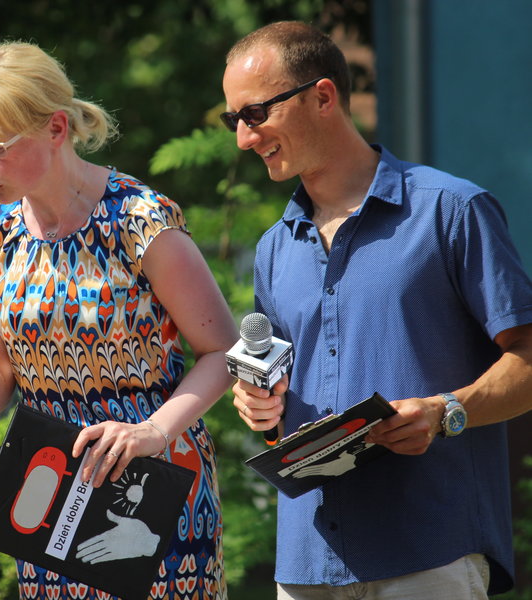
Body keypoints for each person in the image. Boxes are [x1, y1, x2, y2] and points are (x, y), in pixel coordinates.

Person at [0, 41, 236, 600]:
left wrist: (155, 431)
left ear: (56, 129)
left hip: (152, 489)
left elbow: (224, 352)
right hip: (47, 496)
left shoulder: (140, 220)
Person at [223, 21, 532, 598]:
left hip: (430, 551)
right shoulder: (272, 249)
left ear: (322, 97)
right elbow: (276, 389)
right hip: (306, 561)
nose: (244, 137)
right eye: (233, 120)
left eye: (256, 113)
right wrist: (259, 405)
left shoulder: (451, 211)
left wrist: (447, 412)